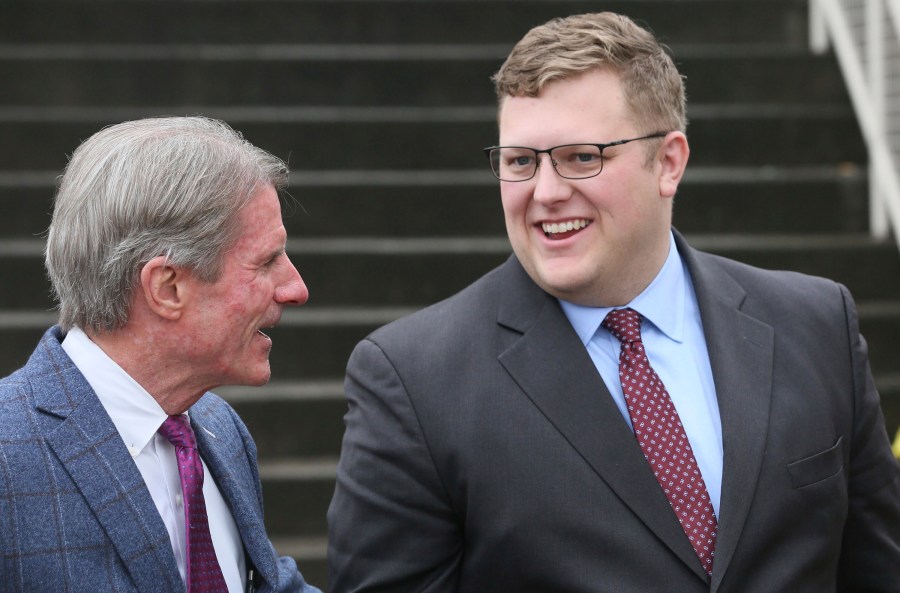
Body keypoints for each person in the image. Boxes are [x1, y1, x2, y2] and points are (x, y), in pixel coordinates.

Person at [327, 12, 900, 593]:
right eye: (520, 161)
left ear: (669, 162)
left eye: (582, 157)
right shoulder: (414, 379)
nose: (546, 193)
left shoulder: (816, 324)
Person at [0, 117, 321, 593]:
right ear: (167, 287)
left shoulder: (217, 427)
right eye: (267, 261)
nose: (296, 288)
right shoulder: (9, 451)